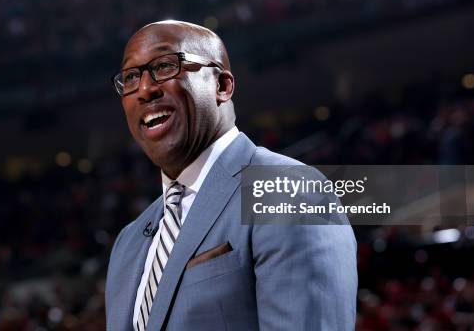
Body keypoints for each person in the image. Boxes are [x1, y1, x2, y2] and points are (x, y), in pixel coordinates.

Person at [105, 20, 357, 330]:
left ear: (221, 86)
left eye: (165, 65)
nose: (145, 89)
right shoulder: (128, 242)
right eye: (131, 77)